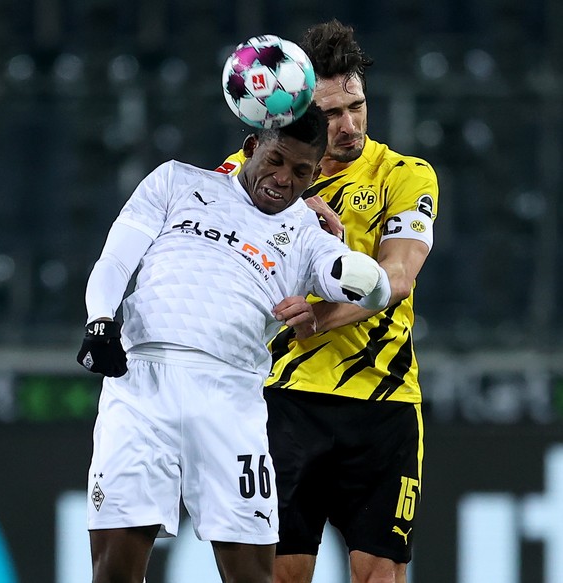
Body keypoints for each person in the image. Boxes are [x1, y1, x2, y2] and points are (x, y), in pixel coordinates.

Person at [76, 103, 393, 583]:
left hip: (230, 400)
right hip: (141, 386)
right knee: (113, 573)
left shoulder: (309, 233)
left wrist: (354, 265)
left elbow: (374, 289)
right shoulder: (176, 182)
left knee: (251, 577)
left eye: (302, 172)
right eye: (276, 161)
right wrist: (99, 321)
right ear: (251, 147)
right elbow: (115, 261)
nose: (285, 180)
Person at [217, 20, 439, 583]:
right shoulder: (259, 174)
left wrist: (321, 315)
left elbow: (399, 275)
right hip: (286, 400)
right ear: (294, 112)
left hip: (383, 402)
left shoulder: (405, 175)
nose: (348, 125)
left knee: (379, 578)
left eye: (357, 106)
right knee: (283, 574)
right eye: (331, 114)